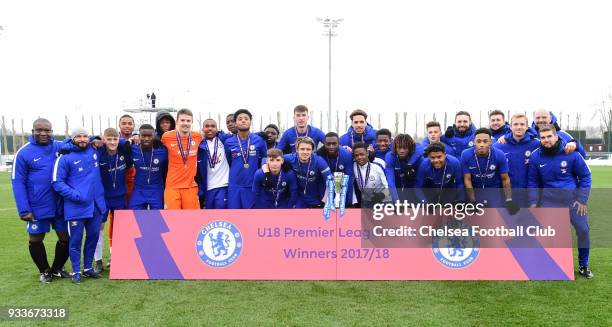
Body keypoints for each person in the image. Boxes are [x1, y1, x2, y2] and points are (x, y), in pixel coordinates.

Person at [527, 124, 593, 278]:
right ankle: (552, 264)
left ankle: (584, 265)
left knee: (583, 231)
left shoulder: (571, 153)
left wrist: (582, 200)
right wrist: (533, 202)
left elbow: (586, 176)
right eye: (543, 138)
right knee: (549, 235)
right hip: (550, 203)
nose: (546, 140)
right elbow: (533, 182)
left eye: (549, 136)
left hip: (574, 203)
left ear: (556, 137)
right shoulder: (536, 156)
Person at [11, 118, 71, 283]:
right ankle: (44, 271)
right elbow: (18, 182)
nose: (43, 133)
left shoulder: (58, 146)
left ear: (51, 131)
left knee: (66, 237)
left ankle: (57, 268)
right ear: (33, 131)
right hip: (38, 205)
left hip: (60, 204)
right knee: (36, 239)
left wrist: (95, 141)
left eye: (47, 130)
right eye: (39, 130)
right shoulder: (24, 153)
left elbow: (78, 141)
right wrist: (24, 209)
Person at [52, 127, 107, 284]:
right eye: (78, 137)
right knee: (75, 241)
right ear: (73, 138)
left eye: (85, 136)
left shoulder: (94, 151)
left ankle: (88, 268)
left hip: (96, 206)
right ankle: (76, 271)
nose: (82, 139)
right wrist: (76, 195)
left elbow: (111, 140)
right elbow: (57, 183)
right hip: (76, 207)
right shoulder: (65, 157)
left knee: (92, 238)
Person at [94, 128, 133, 273]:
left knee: (119, 229)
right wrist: (94, 139)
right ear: (103, 139)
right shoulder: (99, 154)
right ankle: (98, 261)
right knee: (98, 228)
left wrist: (124, 141)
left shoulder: (123, 151)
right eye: (109, 139)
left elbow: (129, 165)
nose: (112, 142)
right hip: (103, 198)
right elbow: (92, 141)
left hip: (120, 197)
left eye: (115, 139)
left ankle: (116, 257)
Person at [461, 128, 518, 213]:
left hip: (493, 191)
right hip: (475, 190)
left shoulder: (499, 154)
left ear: (490, 142)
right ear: (474, 142)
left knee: (495, 218)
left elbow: (505, 179)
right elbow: (467, 179)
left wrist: (509, 199)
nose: (482, 145)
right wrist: (472, 201)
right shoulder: (465, 154)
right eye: (479, 141)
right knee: (476, 220)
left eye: (485, 141)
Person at [493, 113, 540, 207]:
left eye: (522, 124)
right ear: (510, 127)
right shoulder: (499, 146)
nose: (519, 127)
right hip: (506, 196)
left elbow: (554, 143)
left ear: (527, 127)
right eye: (515, 124)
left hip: (529, 195)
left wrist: (572, 143)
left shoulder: (536, 144)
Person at [224, 109, 268, 209]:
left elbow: (264, 159)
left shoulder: (259, 140)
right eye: (240, 119)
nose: (243, 121)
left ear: (250, 122)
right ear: (235, 123)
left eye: (246, 119)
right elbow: (229, 161)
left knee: (251, 218)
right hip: (234, 185)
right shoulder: (228, 142)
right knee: (235, 217)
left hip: (253, 185)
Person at [161, 108, 203, 209]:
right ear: (177, 122)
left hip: (190, 186)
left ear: (192, 122)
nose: (185, 123)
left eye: (188, 121)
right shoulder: (166, 137)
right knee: (172, 220)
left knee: (192, 220)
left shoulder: (197, 136)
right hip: (172, 187)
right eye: (182, 120)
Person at [497, 109, 585, 157]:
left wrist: (575, 144)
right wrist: (506, 137)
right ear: (534, 120)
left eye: (544, 117)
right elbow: (517, 132)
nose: (541, 120)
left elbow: (582, 154)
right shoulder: (531, 133)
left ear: (550, 118)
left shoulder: (562, 134)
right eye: (538, 118)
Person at [283, 137, 331, 208]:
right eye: (302, 149)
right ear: (297, 150)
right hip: (299, 198)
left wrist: (324, 201)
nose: (305, 152)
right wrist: (267, 173)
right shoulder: (290, 158)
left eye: (308, 149)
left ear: (312, 151)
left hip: (316, 198)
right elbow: (266, 159)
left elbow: (330, 181)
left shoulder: (319, 161)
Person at [129, 124, 168, 210]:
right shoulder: (132, 149)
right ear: (139, 136)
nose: (146, 138)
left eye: (150, 136)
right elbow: (117, 144)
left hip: (156, 190)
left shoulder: (163, 150)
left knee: (158, 219)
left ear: (154, 136)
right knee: (134, 218)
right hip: (138, 190)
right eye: (143, 136)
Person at [197, 119, 230, 209]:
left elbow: (241, 134)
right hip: (207, 188)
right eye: (207, 126)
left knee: (221, 214)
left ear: (217, 129)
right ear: (202, 129)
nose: (210, 128)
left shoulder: (224, 140)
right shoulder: (199, 145)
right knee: (210, 217)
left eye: (213, 126)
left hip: (223, 185)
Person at [317, 132, 354, 208]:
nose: (331, 146)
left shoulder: (347, 155)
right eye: (328, 144)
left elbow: (349, 179)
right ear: (324, 144)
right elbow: (319, 179)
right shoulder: (319, 155)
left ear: (339, 143)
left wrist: (348, 201)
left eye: (334, 144)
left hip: (341, 182)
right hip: (325, 183)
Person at [384, 134, 424, 200]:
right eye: (399, 148)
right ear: (395, 148)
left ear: (410, 148)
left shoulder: (419, 159)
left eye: (405, 148)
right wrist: (396, 201)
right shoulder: (390, 157)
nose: (402, 151)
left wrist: (422, 201)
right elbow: (391, 182)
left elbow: (419, 183)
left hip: (413, 187)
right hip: (397, 186)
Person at [351, 142, 389, 208]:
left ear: (367, 153)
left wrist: (382, 195)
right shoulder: (353, 166)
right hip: (365, 200)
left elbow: (388, 185)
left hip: (381, 199)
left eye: (362, 154)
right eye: (356, 155)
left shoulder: (378, 164)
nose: (359, 157)